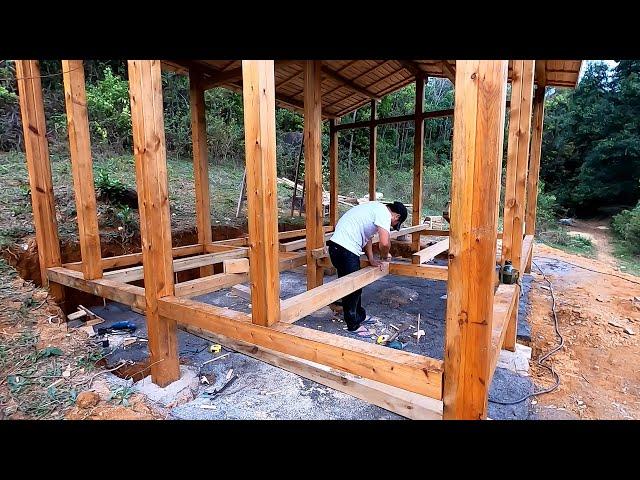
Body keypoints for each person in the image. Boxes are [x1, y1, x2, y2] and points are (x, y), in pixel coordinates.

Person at [327, 200, 407, 336]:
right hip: (345, 249)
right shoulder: (383, 213)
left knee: (352, 286)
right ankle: (353, 325)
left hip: (338, 248)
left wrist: (371, 259)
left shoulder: (374, 209)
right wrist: (384, 255)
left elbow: (367, 238)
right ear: (396, 217)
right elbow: (384, 242)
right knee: (353, 288)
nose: (391, 226)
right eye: (394, 225)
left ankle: (359, 317)